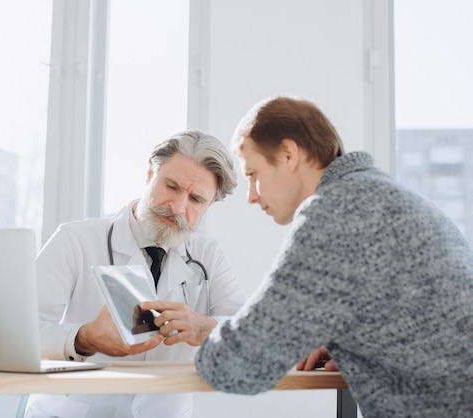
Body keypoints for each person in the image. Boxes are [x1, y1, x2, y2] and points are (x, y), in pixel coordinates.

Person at [195, 96, 473, 417]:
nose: (251, 195)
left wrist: (206, 334)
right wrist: (356, 343)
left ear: (289, 155)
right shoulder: (377, 194)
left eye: (253, 174)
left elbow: (238, 364)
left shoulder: (336, 213)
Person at [25, 130, 247, 418]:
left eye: (195, 199)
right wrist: (83, 338)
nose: (179, 207)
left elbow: (248, 332)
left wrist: (203, 326)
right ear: (148, 174)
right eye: (171, 186)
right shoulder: (75, 239)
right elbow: (20, 331)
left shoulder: (208, 256)